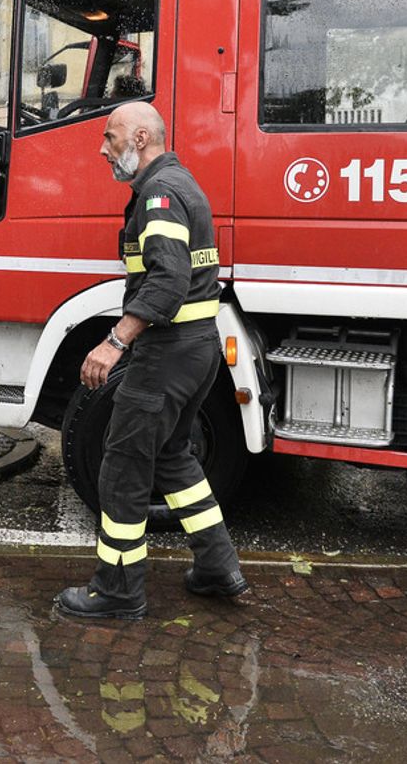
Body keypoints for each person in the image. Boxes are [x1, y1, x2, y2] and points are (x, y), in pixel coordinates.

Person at [55, 101, 246, 621]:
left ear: (140, 137)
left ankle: (117, 590)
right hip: (198, 349)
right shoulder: (181, 185)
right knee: (172, 456)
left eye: (110, 137)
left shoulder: (159, 195)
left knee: (121, 467)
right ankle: (217, 566)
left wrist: (114, 342)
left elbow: (168, 279)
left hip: (165, 355)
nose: (102, 147)